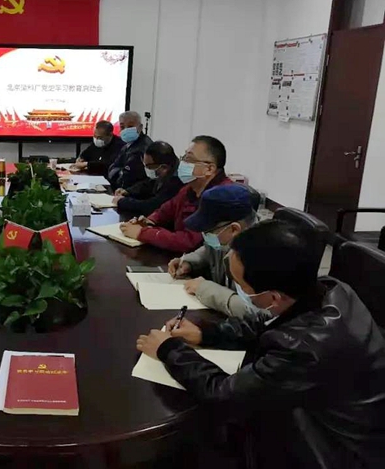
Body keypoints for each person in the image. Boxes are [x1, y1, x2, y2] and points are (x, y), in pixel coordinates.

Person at [136, 220, 385, 469]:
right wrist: (206, 334)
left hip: (335, 450)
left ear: (273, 296)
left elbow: (223, 395)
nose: (239, 289)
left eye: (242, 286)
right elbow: (267, 323)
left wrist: (169, 350)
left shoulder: (306, 347)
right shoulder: (328, 288)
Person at [168, 184, 269, 318]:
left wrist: (205, 289)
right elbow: (208, 249)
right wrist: (189, 262)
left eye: (208, 232)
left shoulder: (266, 255)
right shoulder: (230, 239)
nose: (204, 236)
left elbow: (260, 314)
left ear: (234, 229)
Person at [120, 135, 232, 253]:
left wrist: (142, 233)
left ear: (209, 169)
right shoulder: (191, 188)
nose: (182, 163)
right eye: (183, 157)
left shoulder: (222, 196)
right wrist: (149, 221)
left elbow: (189, 242)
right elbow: (167, 209)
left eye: (188, 159)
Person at [112, 141, 183, 217]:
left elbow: (152, 206)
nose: (146, 169)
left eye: (149, 167)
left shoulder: (176, 183)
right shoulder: (166, 172)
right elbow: (148, 184)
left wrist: (123, 202)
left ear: (164, 167)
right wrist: (128, 191)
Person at [107, 111, 153, 189]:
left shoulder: (143, 147)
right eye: (122, 127)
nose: (126, 130)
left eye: (130, 126)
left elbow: (128, 177)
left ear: (140, 127)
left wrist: (119, 172)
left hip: (134, 191)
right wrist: (119, 172)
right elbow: (113, 167)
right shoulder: (127, 145)